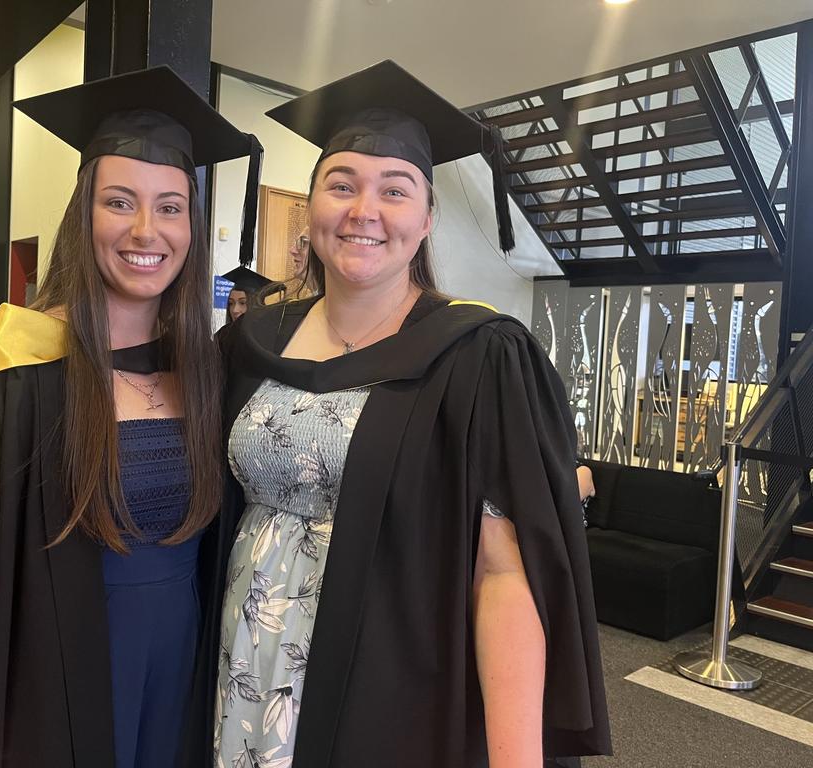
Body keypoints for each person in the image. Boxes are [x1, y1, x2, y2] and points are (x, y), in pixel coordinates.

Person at [0, 67, 261, 768]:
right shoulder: (11, 380)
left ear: (193, 224)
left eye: (171, 206)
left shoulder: (210, 376)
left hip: (183, 688)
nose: (147, 230)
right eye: (119, 202)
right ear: (83, 213)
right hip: (49, 693)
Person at [184, 61, 610, 767]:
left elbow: (503, 576)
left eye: (395, 190)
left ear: (427, 218)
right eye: (341, 185)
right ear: (313, 204)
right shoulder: (249, 344)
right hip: (244, 657)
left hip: (388, 682)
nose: (363, 211)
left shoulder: (479, 355)